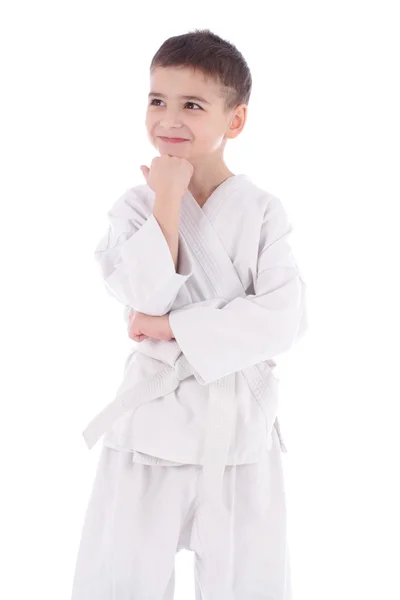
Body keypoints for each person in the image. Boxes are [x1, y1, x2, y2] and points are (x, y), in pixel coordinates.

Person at [71, 28, 308, 600]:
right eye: (157, 100)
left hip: (239, 441)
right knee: (119, 583)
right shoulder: (135, 206)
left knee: (250, 585)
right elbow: (144, 296)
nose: (168, 118)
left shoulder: (262, 212)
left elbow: (284, 319)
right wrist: (168, 199)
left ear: (235, 121)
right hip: (148, 429)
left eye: (192, 104)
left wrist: (172, 328)